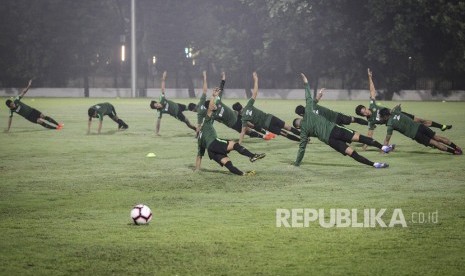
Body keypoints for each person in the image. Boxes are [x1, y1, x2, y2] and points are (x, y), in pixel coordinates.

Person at [293, 73, 393, 168]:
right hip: (335, 129)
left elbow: (302, 148)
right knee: (360, 138)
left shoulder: (304, 132)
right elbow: (308, 96)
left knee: (351, 153)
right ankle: (383, 147)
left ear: (298, 126)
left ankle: (374, 164)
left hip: (330, 140)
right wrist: (305, 82)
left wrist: (297, 163)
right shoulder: (309, 110)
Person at [355, 68, 452, 149]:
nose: (366, 112)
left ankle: (441, 126)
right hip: (394, 123)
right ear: (362, 115)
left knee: (420, 120)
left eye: (365, 110)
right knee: (413, 131)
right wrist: (365, 146)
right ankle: (432, 142)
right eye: (363, 113)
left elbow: (372, 91)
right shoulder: (370, 121)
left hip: (398, 114)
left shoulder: (372, 105)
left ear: (366, 107)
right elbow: (369, 135)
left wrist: (370, 77)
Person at [189, 71, 274, 140]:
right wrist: (200, 135)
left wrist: (223, 78)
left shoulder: (218, 102)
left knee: (251, 124)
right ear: (210, 107)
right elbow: (207, 124)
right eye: (212, 104)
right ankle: (264, 137)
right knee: (247, 131)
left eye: (213, 103)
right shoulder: (213, 115)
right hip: (233, 123)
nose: (213, 104)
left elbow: (221, 89)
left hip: (236, 115)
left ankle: (266, 133)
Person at [195, 94, 266, 176]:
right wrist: (213, 96)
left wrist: (197, 169)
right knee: (235, 145)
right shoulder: (206, 123)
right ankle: (252, 156)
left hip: (211, 152)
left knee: (228, 164)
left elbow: (199, 156)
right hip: (215, 143)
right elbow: (210, 109)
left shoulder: (199, 140)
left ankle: (243, 174)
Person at [234, 72, 300, 144]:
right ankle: (305, 137)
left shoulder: (244, 118)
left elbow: (243, 132)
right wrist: (256, 79)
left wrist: (239, 144)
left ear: (237, 111)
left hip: (267, 126)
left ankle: (301, 141)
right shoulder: (248, 105)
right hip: (270, 117)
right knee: (288, 127)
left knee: (284, 133)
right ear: (241, 106)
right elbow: (255, 92)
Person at [379, 105, 462, 155]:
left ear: (385, 116)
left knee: (435, 143)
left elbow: (387, 139)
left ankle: (454, 152)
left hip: (416, 135)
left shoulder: (390, 125)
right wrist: (393, 109)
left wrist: (383, 150)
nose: (380, 119)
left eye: (381, 117)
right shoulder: (395, 111)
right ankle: (456, 147)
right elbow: (398, 106)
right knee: (438, 138)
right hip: (420, 126)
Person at [150, 71, 196, 135]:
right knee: (187, 121)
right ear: (156, 108)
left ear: (157, 102)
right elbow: (158, 122)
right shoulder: (160, 111)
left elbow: (162, 89)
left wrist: (163, 78)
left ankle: (202, 112)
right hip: (177, 114)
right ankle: (196, 129)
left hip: (178, 105)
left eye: (157, 104)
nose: (158, 106)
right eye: (156, 107)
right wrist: (157, 132)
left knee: (191, 107)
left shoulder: (162, 99)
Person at [295, 88, 368, 126]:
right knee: (354, 119)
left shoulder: (307, 118)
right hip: (336, 115)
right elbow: (318, 97)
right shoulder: (310, 105)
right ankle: (369, 124)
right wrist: (321, 91)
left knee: (348, 133)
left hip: (332, 125)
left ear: (301, 114)